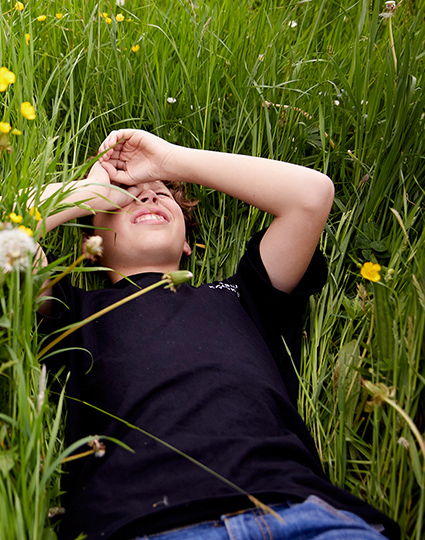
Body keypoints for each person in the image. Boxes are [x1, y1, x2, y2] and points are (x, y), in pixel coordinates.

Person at [34, 129, 399, 540]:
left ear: (188, 243)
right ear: (91, 239)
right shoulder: (73, 307)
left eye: (161, 194)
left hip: (305, 515)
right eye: (126, 195)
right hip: (144, 525)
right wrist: (89, 192)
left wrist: (169, 161)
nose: (148, 196)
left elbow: (311, 196)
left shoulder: (243, 296)